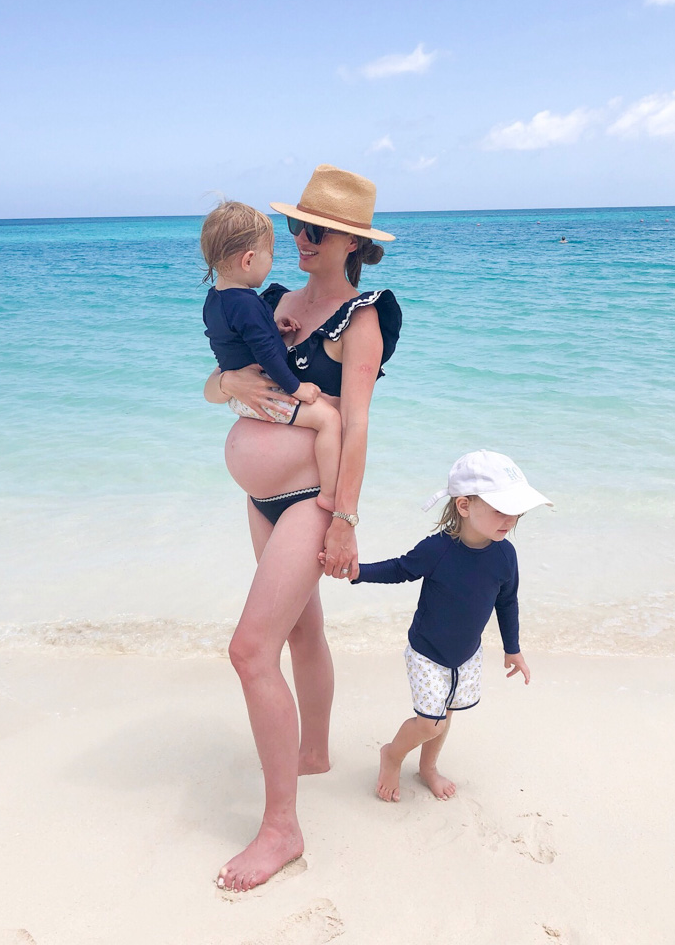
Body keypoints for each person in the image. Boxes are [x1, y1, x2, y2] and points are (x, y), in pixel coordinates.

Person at [203, 164, 402, 891]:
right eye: (295, 225)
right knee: (299, 632)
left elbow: (356, 424)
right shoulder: (272, 299)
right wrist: (229, 385)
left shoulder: (366, 319)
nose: (298, 238)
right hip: (262, 499)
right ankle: (313, 752)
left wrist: (343, 519)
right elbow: (215, 382)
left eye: (312, 230)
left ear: (350, 242)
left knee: (250, 651)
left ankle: (282, 829)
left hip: (312, 499)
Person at [338, 450, 551, 804]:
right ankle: (392, 754)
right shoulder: (438, 549)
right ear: (464, 506)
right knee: (429, 722)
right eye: (501, 510)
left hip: (466, 656)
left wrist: (512, 649)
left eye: (516, 512)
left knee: (445, 714)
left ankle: (428, 768)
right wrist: (360, 572)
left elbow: (507, 602)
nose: (510, 520)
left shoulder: (505, 555)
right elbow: (400, 569)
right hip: (428, 653)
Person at [201, 201, 342, 511]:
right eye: (271, 257)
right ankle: (332, 495)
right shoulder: (248, 304)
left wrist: (271, 329)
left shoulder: (216, 299)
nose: (272, 263)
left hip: (241, 397)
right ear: (249, 260)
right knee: (329, 420)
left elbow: (235, 341)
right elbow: (267, 356)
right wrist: (297, 388)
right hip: (263, 392)